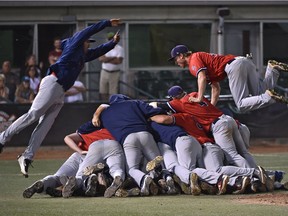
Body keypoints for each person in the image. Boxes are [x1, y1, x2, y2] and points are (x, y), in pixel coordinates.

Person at [0, 18, 122, 178]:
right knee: (33, 115)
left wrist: (113, 43)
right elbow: (88, 31)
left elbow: (98, 52)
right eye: (87, 42)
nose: (89, 44)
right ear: (81, 41)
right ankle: (2, 138)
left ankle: (27, 156)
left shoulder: (81, 55)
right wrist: (106, 23)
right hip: (53, 82)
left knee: (45, 125)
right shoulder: (74, 45)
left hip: (60, 91)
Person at [168, 45, 288, 112]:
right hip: (243, 61)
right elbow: (215, 88)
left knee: (241, 104)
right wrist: (211, 107)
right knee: (259, 93)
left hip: (233, 66)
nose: (175, 62)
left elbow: (201, 77)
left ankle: (270, 97)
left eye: (175, 59)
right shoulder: (199, 57)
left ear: (181, 55)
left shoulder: (193, 59)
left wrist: (199, 97)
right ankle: (272, 70)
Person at [92, 94, 165, 196]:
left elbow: (95, 123)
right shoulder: (134, 103)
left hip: (128, 139)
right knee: (159, 163)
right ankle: (165, 180)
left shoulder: (105, 113)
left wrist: (96, 114)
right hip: (145, 134)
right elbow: (154, 111)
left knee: (132, 169)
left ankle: (144, 179)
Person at [98, 31, 124, 101]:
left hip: (114, 72)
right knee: (103, 90)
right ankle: (103, 104)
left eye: (112, 38)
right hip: (105, 71)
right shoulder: (104, 47)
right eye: (109, 39)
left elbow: (118, 61)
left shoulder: (119, 48)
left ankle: (112, 105)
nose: (111, 40)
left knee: (113, 92)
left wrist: (106, 59)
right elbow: (101, 58)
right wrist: (113, 57)